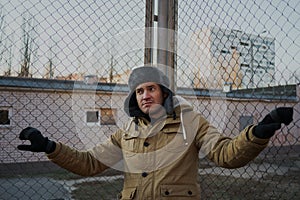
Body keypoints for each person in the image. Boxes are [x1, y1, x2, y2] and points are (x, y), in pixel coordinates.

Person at [18, 65, 294, 199]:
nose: (145, 95)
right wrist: (50, 147)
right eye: (139, 91)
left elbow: (225, 155)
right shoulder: (126, 131)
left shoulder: (190, 122)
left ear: (164, 92)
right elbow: (89, 163)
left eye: (151, 88)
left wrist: (257, 132)